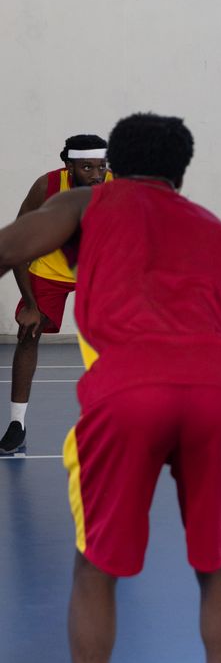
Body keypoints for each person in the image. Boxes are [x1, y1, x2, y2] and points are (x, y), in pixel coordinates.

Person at [0, 112, 221, 663]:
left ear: (113, 167)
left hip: (127, 389)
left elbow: (7, 248)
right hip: (220, 395)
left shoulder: (86, 204)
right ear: (180, 172)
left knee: (94, 566)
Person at [0, 134, 111, 455]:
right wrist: (31, 305)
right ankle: (17, 424)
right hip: (50, 268)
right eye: (87, 167)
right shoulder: (46, 188)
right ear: (68, 166)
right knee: (28, 334)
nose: (96, 174)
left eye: (101, 166)